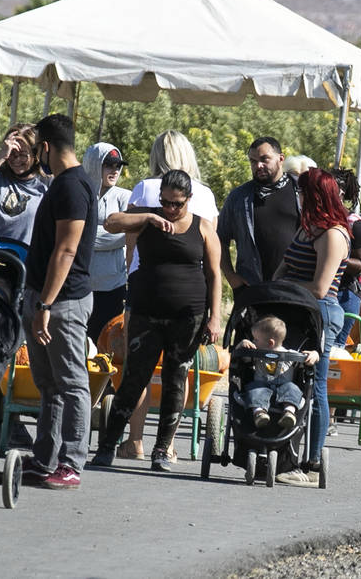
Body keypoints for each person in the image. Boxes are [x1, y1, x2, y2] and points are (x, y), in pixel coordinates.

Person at [90, 169, 222, 472]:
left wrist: (215, 318)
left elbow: (215, 276)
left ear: (189, 200)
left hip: (188, 315)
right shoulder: (148, 216)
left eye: (176, 204)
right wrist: (148, 218)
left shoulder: (202, 227)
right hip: (146, 312)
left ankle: (162, 449)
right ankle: (108, 445)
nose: (170, 209)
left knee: (176, 380)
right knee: (134, 378)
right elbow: (111, 222)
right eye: (165, 202)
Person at [118, 130, 220, 461]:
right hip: (189, 294)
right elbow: (209, 251)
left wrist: (133, 277)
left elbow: (130, 243)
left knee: (139, 367)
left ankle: (135, 439)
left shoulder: (146, 189)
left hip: (145, 287)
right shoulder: (203, 194)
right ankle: (170, 442)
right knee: (179, 370)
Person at [20, 114, 98, 491]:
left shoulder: (72, 187)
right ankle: (44, 457)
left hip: (62, 303)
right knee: (48, 384)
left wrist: (45, 306)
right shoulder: (65, 183)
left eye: (38, 152)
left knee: (71, 383)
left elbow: (66, 251)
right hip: (45, 299)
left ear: (47, 147)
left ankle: (70, 462)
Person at [275, 167, 349, 482]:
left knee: (314, 383)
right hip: (294, 309)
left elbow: (320, 287)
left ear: (316, 195)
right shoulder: (307, 228)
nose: (298, 196)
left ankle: (312, 459)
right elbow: (282, 270)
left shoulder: (332, 233)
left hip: (319, 312)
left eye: (303, 191)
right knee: (284, 377)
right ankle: (279, 449)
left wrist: (285, 285)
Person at [219, 137, 300, 290]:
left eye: (265, 159)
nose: (258, 166)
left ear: (281, 159)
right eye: (253, 161)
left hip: (296, 286)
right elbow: (219, 239)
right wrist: (231, 276)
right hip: (253, 288)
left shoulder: (301, 191)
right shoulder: (239, 197)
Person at [81, 143, 130, 343]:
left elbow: (128, 235)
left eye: (118, 165)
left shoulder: (125, 197)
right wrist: (112, 234)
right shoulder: (80, 194)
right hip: (81, 287)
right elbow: (72, 234)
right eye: (109, 164)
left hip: (113, 288)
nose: (115, 170)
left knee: (107, 347)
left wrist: (86, 236)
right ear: (94, 164)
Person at [237, 315, 318, 429]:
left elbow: (308, 359)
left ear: (270, 343)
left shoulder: (290, 354)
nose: (253, 341)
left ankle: (289, 412)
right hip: (261, 387)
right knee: (253, 388)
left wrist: (314, 354)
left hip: (284, 388)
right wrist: (242, 345)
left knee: (293, 388)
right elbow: (242, 357)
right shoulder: (255, 353)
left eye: (256, 339)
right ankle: (259, 413)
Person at [0, 123, 50, 251]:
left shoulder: (45, 184)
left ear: (35, 155)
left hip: (22, 257)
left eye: (23, 154)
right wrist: (2, 156)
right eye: (12, 153)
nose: (16, 160)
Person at [330, 168, 361, 345]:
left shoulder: (355, 224)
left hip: (344, 296)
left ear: (340, 193)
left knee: (334, 353)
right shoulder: (318, 220)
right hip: (325, 294)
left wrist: (331, 258)